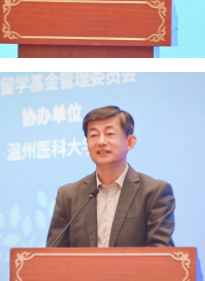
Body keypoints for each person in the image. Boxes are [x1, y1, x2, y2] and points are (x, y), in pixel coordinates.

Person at [46, 106, 174, 247]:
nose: (101, 142)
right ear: (87, 143)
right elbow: (53, 254)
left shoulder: (154, 192)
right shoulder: (68, 196)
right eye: (93, 135)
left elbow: (161, 253)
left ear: (130, 142)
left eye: (110, 133)